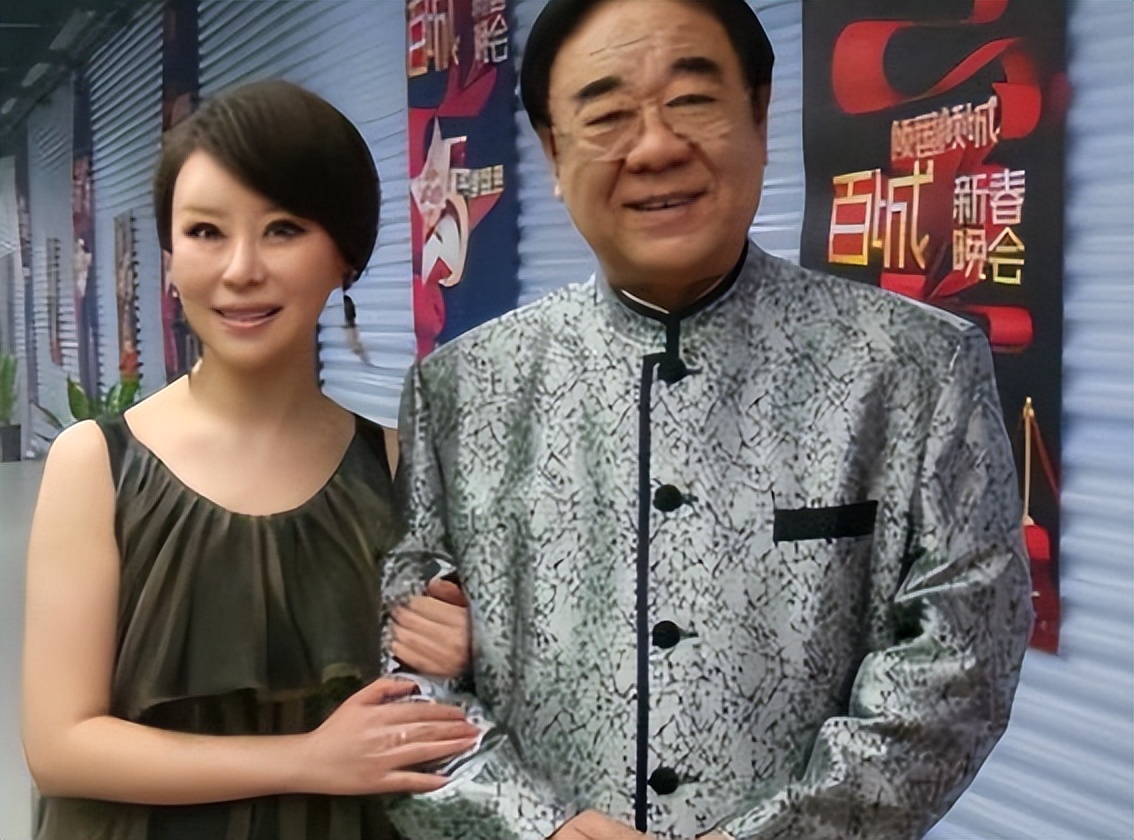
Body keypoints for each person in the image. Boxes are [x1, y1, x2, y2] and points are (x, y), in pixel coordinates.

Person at [381, 1, 1034, 839]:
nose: (655, 147)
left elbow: (962, 663)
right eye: (607, 116)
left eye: (691, 101)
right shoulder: (461, 391)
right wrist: (540, 826)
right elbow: (408, 676)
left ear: (759, 115)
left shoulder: (915, 367)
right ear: (552, 153)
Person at [21, 80, 479, 840]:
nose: (240, 269)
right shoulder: (96, 464)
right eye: (205, 231)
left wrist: (467, 654)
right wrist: (308, 759)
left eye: (282, 229)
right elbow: (61, 747)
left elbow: (452, 712)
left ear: (347, 256)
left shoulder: (404, 469)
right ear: (170, 258)